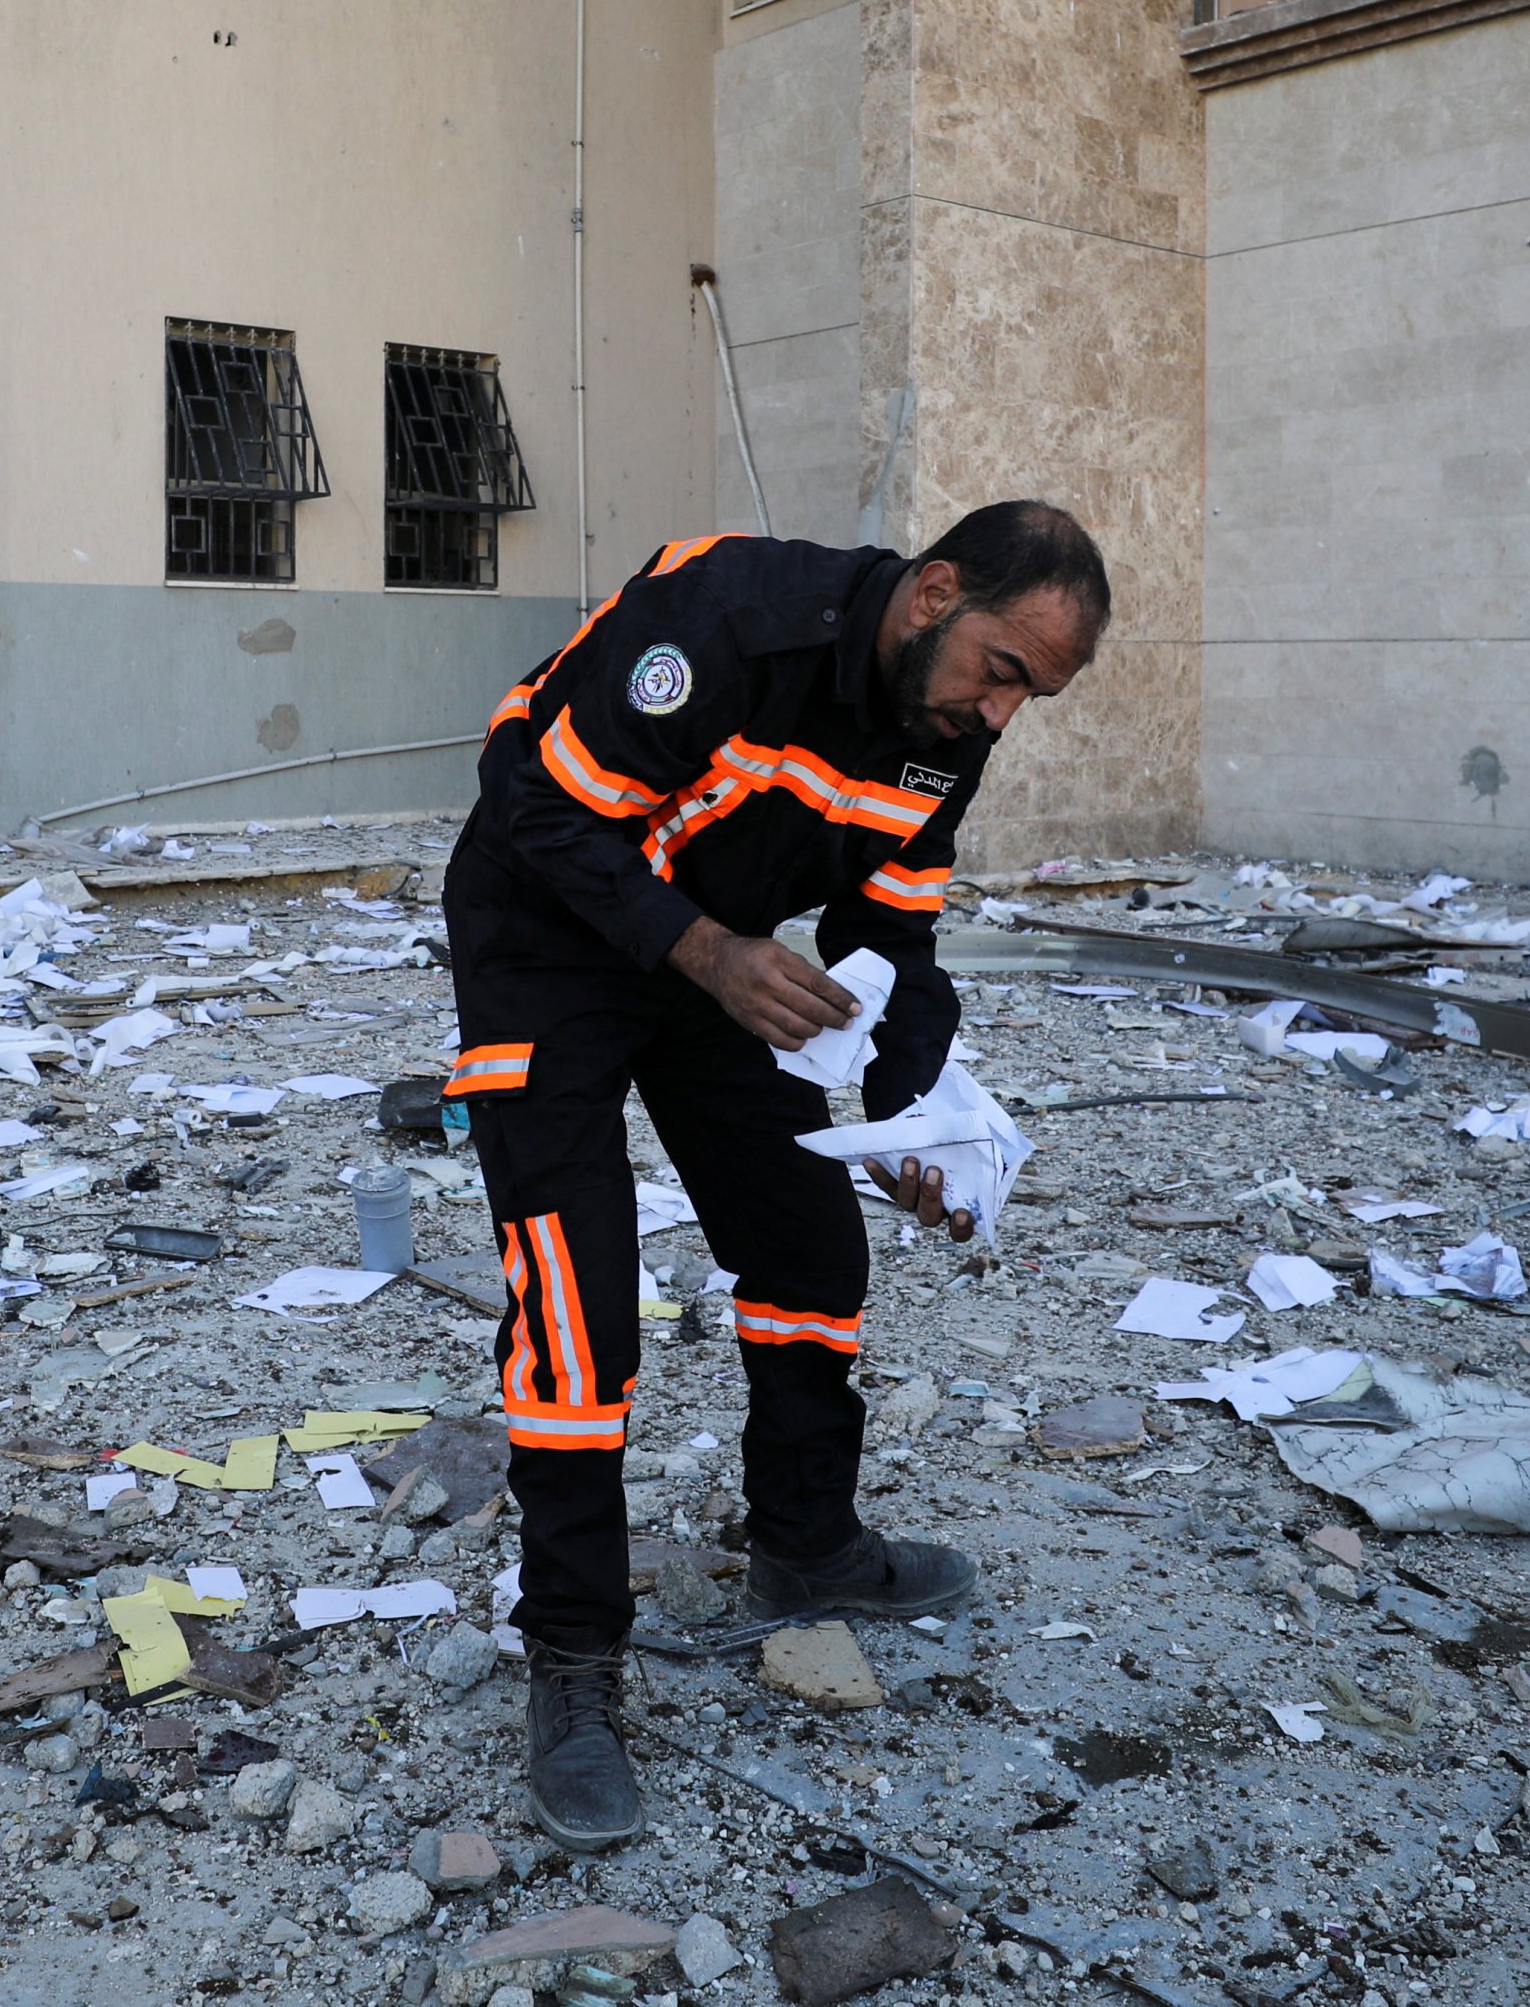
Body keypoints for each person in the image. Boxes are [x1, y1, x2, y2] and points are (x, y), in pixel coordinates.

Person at [439, 500, 1111, 1848]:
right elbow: (540, 809)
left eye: (1031, 694)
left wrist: (917, 1115)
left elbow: (893, 938)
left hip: (711, 950)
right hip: (543, 925)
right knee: (581, 1307)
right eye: (1000, 669)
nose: (1000, 715)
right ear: (932, 595)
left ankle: (807, 1543)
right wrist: (706, 952)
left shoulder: (941, 737)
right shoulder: (725, 621)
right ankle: (574, 1655)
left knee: (809, 1242)